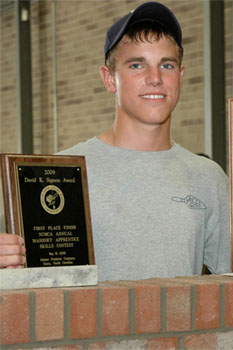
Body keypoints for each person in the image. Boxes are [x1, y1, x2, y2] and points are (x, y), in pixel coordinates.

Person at [0, 2, 230, 280]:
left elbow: (226, 288)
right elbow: (30, 290)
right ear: (109, 79)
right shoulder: (59, 175)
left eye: (166, 65)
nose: (155, 79)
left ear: (180, 77)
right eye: (137, 65)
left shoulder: (208, 178)